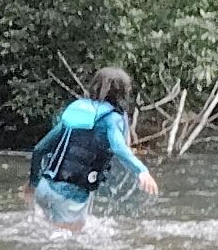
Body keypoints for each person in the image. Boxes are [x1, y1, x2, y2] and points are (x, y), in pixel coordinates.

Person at [25, 67, 158, 226]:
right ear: (123, 93)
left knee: (47, 235)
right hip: (69, 196)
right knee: (72, 244)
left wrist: (32, 184)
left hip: (44, 188)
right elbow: (119, 148)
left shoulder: (78, 111)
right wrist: (141, 170)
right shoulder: (111, 118)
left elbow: (40, 149)